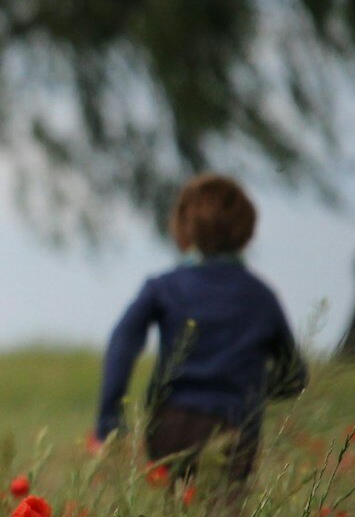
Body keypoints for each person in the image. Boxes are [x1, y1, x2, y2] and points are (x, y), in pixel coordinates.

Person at [93, 174, 307, 486]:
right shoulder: (261, 297)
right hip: (235, 426)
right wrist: (250, 390)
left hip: (170, 424)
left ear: (183, 227)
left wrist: (109, 422)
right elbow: (294, 375)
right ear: (245, 230)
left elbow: (121, 346)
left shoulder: (163, 288)